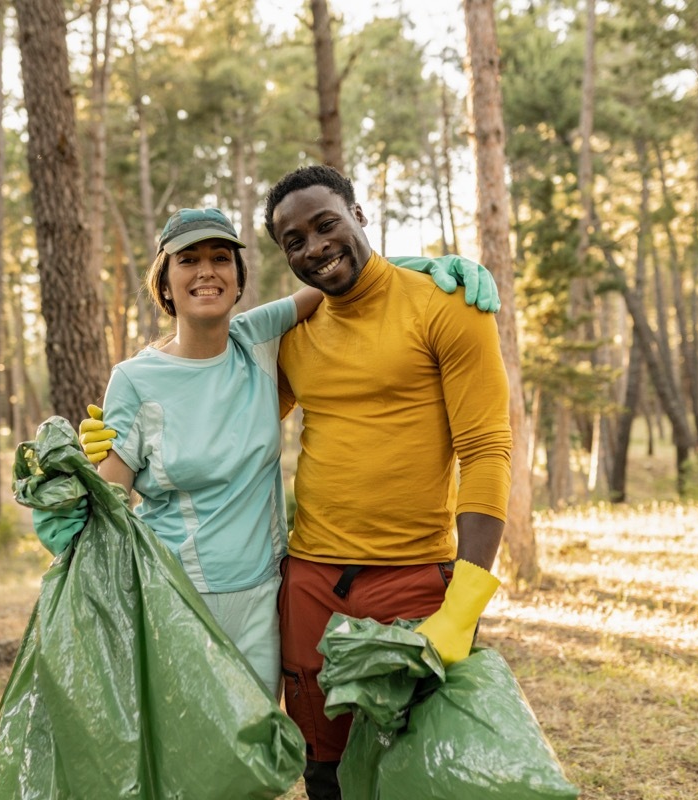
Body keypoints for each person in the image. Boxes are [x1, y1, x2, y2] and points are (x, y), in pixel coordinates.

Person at [35, 206, 498, 703]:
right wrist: (70, 511)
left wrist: (432, 266)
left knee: (253, 755)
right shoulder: (133, 379)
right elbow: (111, 497)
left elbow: (337, 275)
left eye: (220, 258)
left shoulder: (258, 340)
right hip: (175, 596)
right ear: (164, 285)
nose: (206, 271)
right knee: (187, 754)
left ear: (238, 281)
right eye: (187, 260)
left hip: (264, 597)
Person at [265, 164, 513, 800]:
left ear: (359, 215)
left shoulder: (447, 306)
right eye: (295, 241)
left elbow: (485, 448)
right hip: (311, 579)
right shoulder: (293, 334)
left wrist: (466, 599)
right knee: (323, 765)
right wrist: (135, 428)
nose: (315, 247)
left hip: (414, 577)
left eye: (327, 225)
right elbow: (231, 425)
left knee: (417, 766)